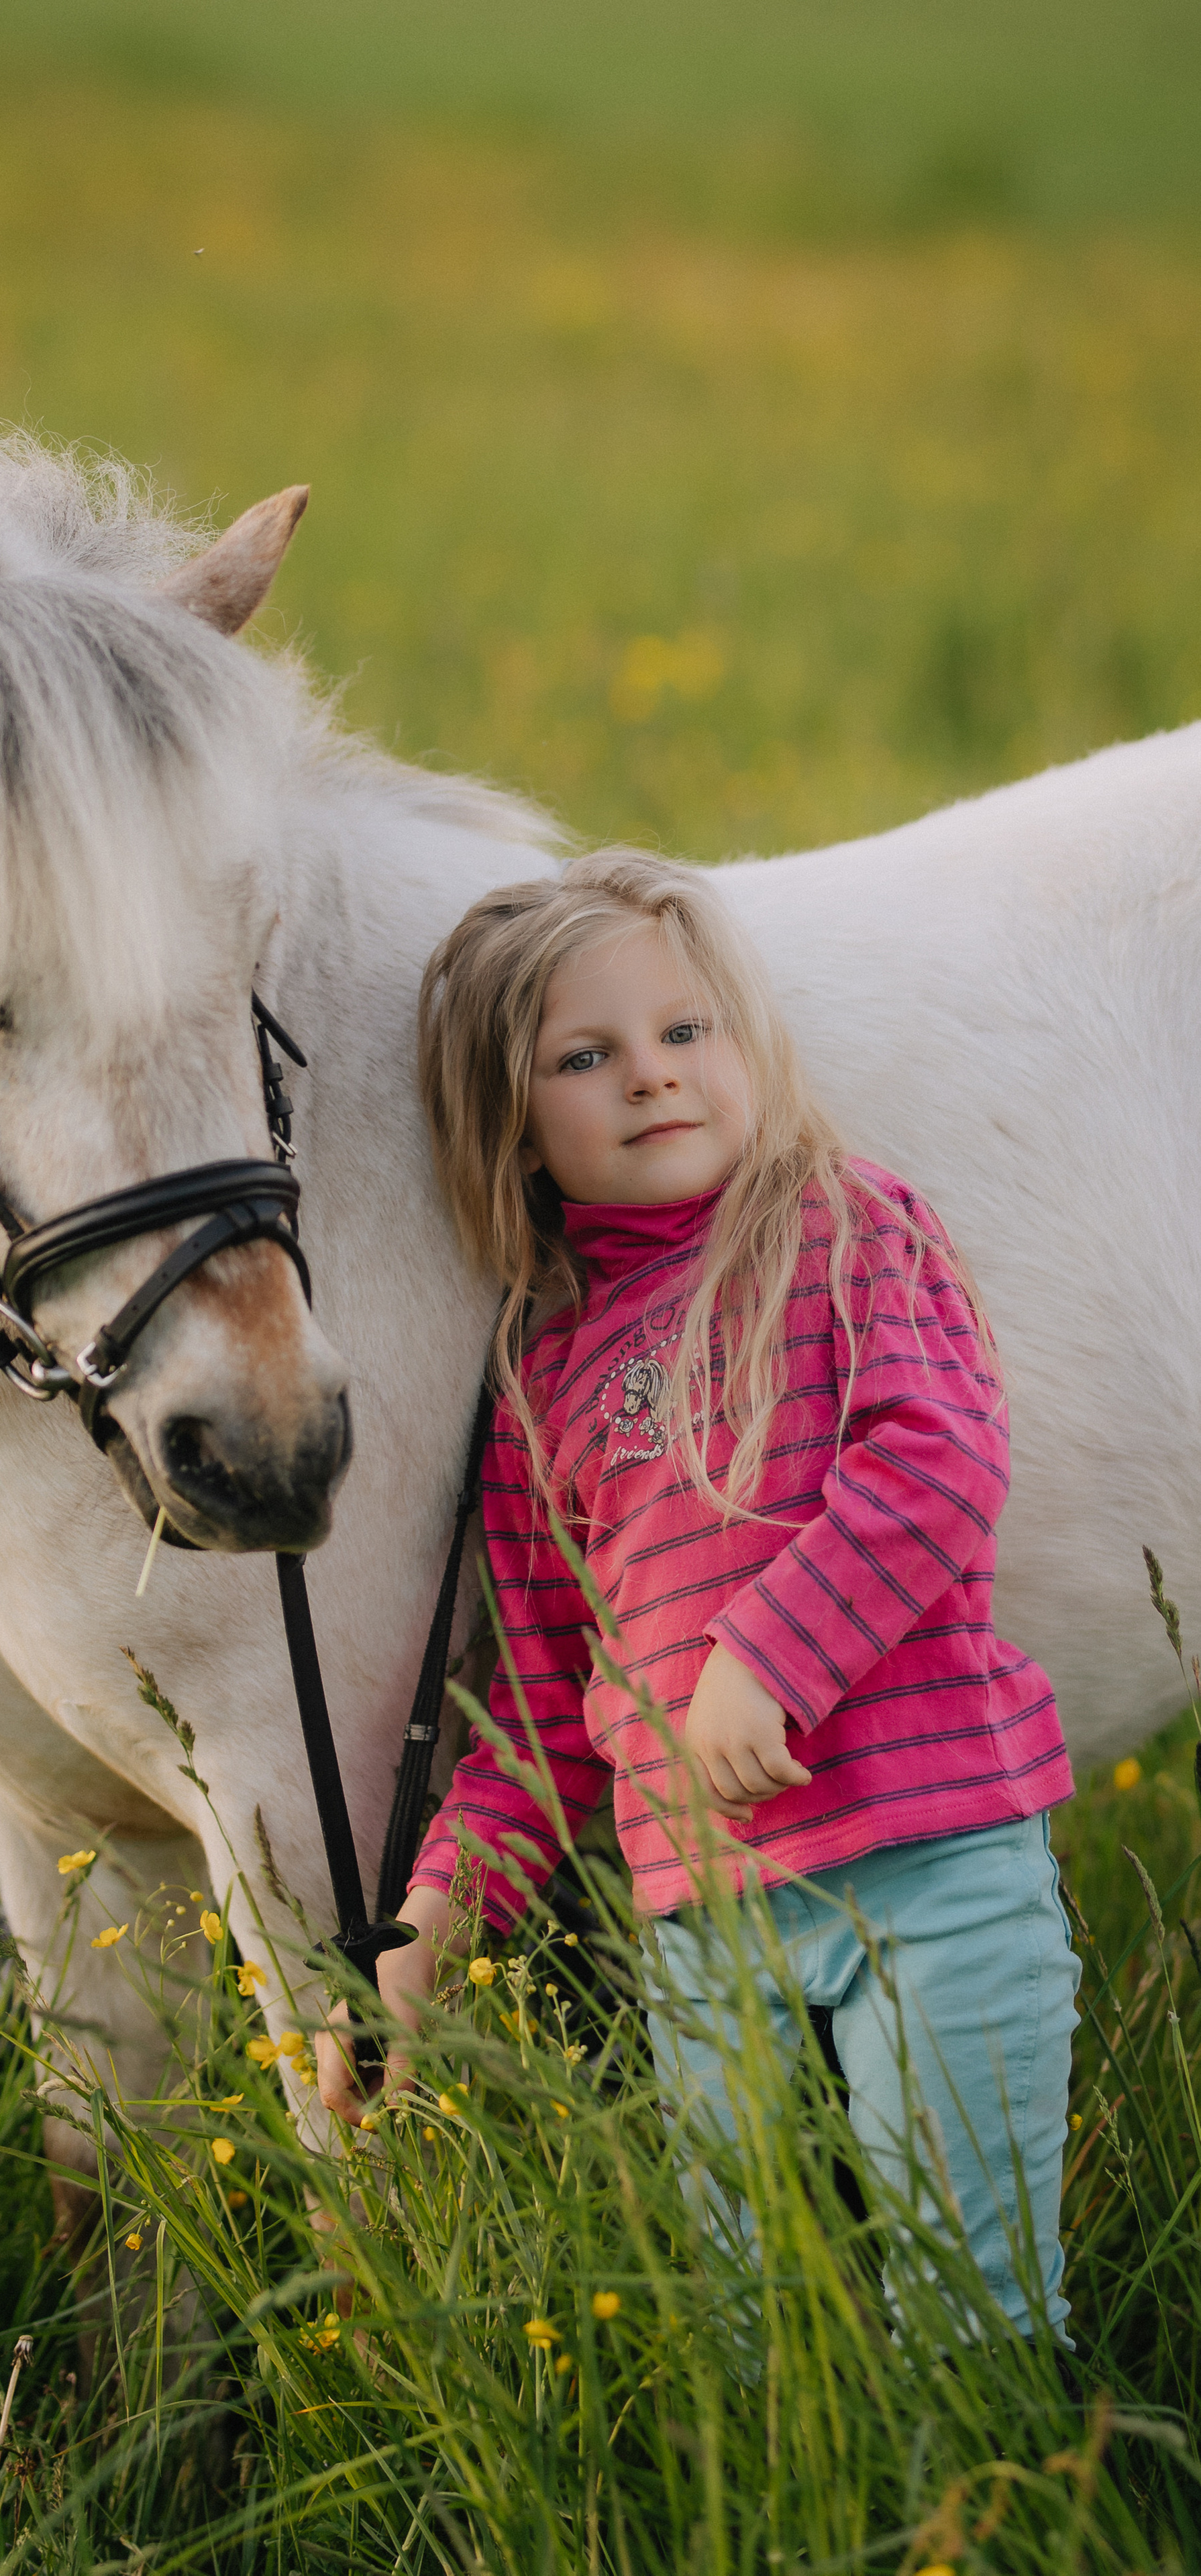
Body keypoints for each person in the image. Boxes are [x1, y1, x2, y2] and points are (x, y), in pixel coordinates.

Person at [316, 849, 1080, 2345]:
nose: (652, 1075)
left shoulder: (843, 1227)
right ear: (514, 1124)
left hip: (929, 1865)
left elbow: (939, 1456)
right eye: (585, 1057)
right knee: (754, 2329)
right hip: (704, 1932)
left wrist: (768, 1656)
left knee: (968, 2311)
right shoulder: (544, 1371)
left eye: (685, 1031)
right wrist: (429, 1923)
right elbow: (546, 1708)